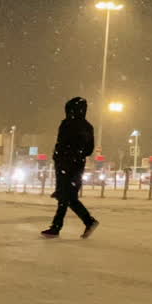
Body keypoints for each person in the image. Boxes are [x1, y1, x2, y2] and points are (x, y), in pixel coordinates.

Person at [41, 97, 99, 238]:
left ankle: (58, 227)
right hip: (78, 164)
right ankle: (86, 222)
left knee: (65, 196)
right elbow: (89, 150)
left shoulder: (67, 124)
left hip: (65, 164)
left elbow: (60, 144)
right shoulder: (88, 127)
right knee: (68, 197)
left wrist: (59, 157)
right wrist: (78, 153)